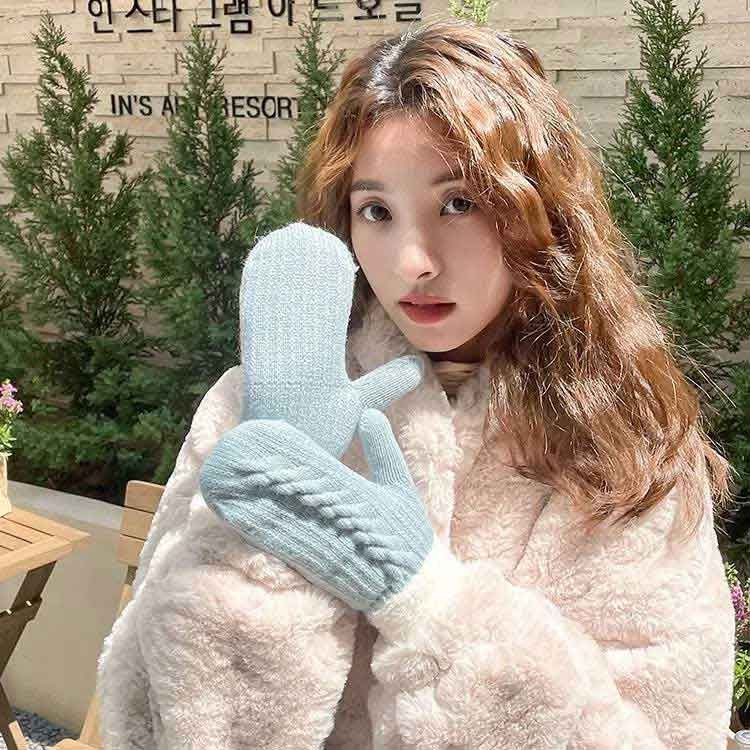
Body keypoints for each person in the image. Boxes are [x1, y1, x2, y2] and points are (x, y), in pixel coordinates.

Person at [96, 15, 736, 749]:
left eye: (458, 202)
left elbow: (668, 734)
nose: (412, 262)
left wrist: (424, 599)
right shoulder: (256, 405)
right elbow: (143, 721)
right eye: (377, 211)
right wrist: (265, 558)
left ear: (538, 209)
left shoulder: (627, 441)